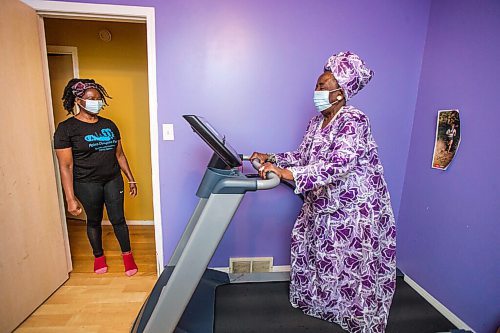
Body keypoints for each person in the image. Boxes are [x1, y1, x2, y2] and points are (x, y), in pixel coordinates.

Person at [251, 51, 396, 333]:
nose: (316, 91)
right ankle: (323, 307)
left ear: (340, 93)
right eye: (317, 85)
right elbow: (302, 156)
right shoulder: (316, 122)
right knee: (320, 255)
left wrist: (288, 174)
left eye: (323, 86)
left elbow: (340, 164)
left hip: (354, 208)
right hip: (323, 202)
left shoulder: (354, 120)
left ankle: (356, 317)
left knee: (351, 267)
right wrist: (273, 158)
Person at [54, 78, 139, 276]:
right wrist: (70, 198)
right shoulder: (66, 128)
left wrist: (130, 178)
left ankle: (127, 256)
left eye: (99, 99)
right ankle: (98, 256)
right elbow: (65, 166)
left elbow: (119, 154)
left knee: (118, 219)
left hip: (112, 179)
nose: (97, 102)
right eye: (91, 98)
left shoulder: (109, 125)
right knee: (94, 220)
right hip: (86, 183)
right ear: (78, 100)